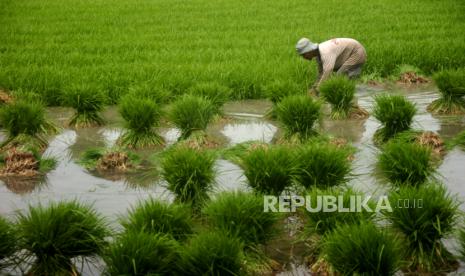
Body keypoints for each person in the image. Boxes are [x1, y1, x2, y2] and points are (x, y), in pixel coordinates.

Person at [296, 37, 366, 94]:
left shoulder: (325, 52)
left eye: (303, 54)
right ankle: (347, 89)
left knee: (339, 76)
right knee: (339, 78)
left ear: (309, 51)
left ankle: (347, 96)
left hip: (357, 52)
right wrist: (315, 86)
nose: (304, 57)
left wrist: (317, 90)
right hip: (347, 54)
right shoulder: (318, 56)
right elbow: (321, 73)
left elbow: (327, 72)